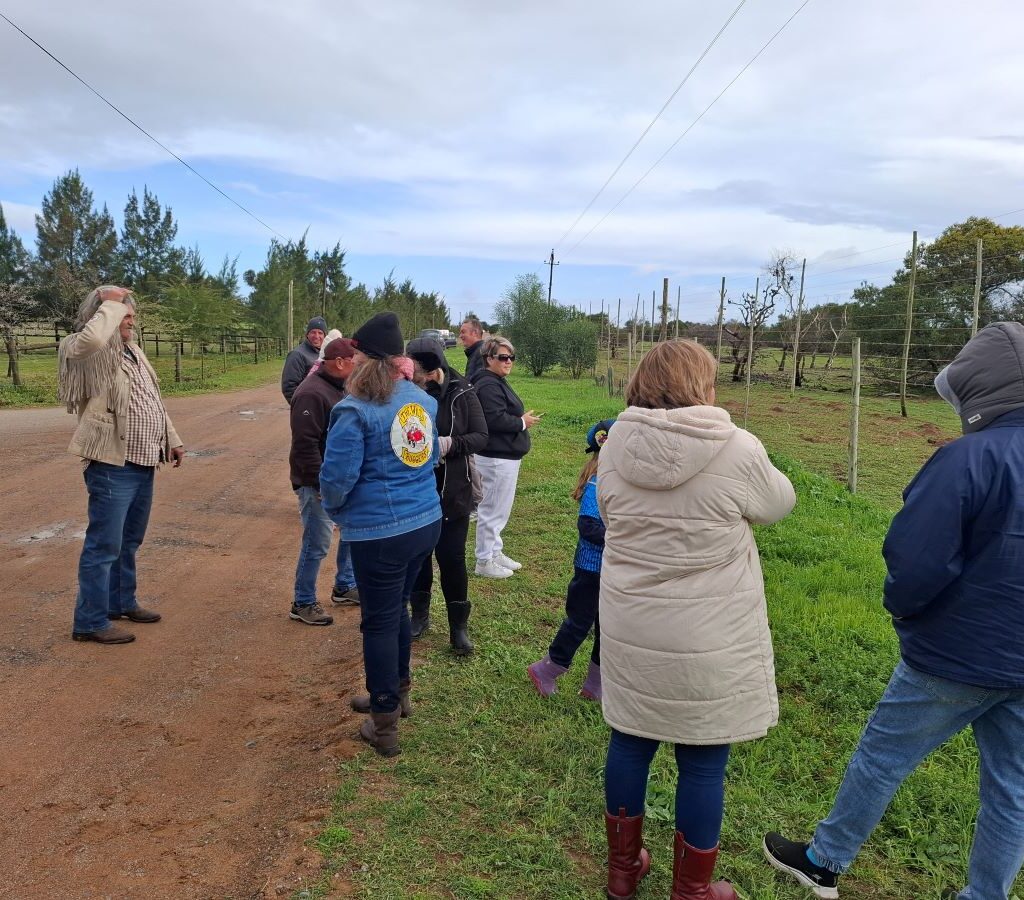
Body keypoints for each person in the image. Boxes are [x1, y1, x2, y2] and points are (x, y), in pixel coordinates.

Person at [763, 322, 1024, 900]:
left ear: (980, 389)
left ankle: (824, 861)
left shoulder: (965, 460)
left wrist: (905, 614)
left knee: (883, 757)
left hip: (954, 656)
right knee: (1013, 789)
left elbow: (916, 559)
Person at [597, 340, 794, 900]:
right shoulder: (738, 447)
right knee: (704, 764)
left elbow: (610, 512)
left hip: (633, 623)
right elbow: (778, 504)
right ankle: (693, 890)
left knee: (630, 743)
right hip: (711, 634)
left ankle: (622, 870)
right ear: (701, 386)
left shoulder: (613, 447)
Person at [320, 312, 441, 757]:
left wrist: (335, 510)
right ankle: (396, 689)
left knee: (378, 620)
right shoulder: (422, 402)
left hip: (379, 534)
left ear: (364, 362)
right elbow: (426, 459)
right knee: (397, 611)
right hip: (424, 521)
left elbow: (336, 478)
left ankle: (384, 720)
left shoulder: (354, 410)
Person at [58, 285, 186, 645]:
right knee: (103, 545)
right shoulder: (81, 348)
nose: (129, 320)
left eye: (130, 314)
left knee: (129, 540)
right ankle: (89, 621)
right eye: (120, 314)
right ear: (99, 317)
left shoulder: (134, 352)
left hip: (144, 458)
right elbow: (92, 340)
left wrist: (171, 439)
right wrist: (109, 303)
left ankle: (120, 602)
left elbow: (152, 401)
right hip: (112, 462)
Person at [403, 335, 488, 654]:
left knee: (451, 558)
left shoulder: (463, 391)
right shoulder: (406, 391)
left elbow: (480, 436)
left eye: (415, 370)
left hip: (454, 490)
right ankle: (419, 615)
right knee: (419, 556)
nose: (410, 375)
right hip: (417, 491)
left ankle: (458, 627)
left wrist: (449, 445)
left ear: (432, 368)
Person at [527, 418, 614, 701]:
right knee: (580, 622)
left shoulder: (616, 482)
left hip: (612, 569)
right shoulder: (597, 483)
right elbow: (588, 527)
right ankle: (547, 669)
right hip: (591, 569)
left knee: (609, 627)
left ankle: (595, 684)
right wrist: (622, 535)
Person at [288, 337, 360, 626]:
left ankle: (344, 585)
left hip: (340, 480)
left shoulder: (340, 388)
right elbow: (305, 445)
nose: (358, 368)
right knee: (317, 542)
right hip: (317, 482)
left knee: (351, 533)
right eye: (355, 363)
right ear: (340, 362)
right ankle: (302, 601)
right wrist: (320, 486)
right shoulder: (311, 393)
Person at [472, 337, 540, 578]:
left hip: (501, 456)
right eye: (503, 357)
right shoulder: (489, 385)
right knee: (493, 509)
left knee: (499, 509)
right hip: (497, 458)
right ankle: (484, 560)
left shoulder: (494, 380)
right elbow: (494, 419)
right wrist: (523, 422)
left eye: (511, 357)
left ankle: (494, 551)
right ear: (489, 358)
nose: (508, 361)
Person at [281, 316, 328, 403]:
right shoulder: (297, 355)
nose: (316, 336)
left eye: (320, 333)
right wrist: (304, 406)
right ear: (307, 334)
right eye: (313, 332)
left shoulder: (324, 354)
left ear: (324, 335)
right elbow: (289, 387)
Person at [459, 316, 485, 382]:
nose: (460, 336)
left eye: (463, 332)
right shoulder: (474, 352)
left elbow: (478, 383)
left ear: (475, 333)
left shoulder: (482, 353)